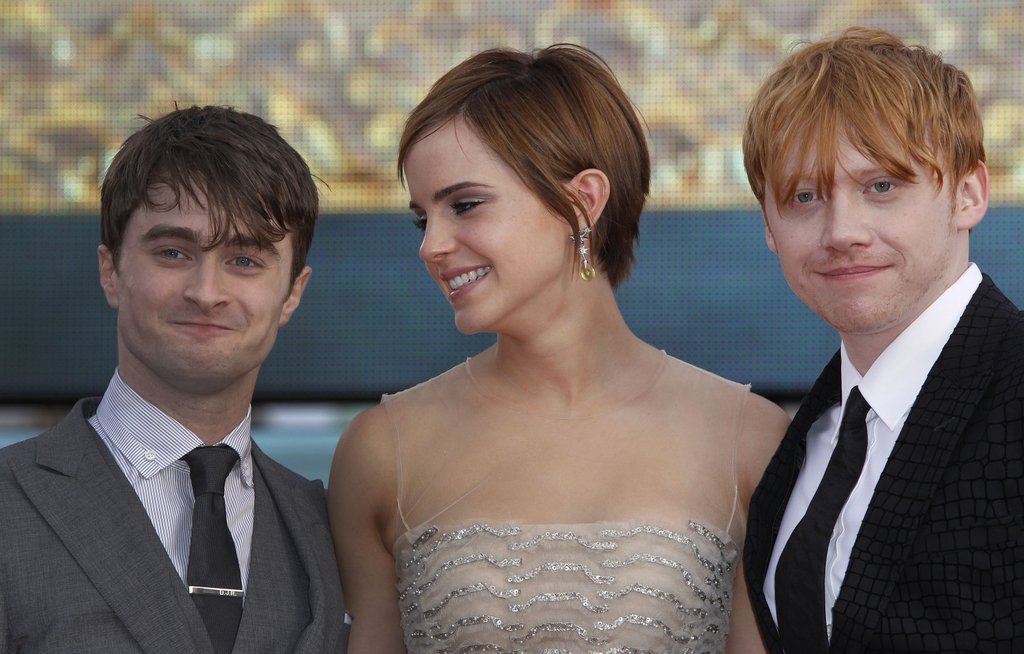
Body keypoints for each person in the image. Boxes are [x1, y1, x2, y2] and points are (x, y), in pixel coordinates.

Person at [328, 44, 789, 653]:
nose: (431, 246)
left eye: (465, 205)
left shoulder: (749, 440)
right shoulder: (382, 450)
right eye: (423, 218)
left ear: (582, 202)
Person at [0, 106, 348, 653]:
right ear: (111, 271)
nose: (206, 292)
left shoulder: (331, 526)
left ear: (292, 294)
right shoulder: (9, 500)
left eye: (245, 260)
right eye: (172, 252)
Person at [741, 27, 1024, 653]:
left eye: (881, 186)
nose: (842, 231)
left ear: (969, 194)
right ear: (769, 226)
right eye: (805, 197)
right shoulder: (807, 439)